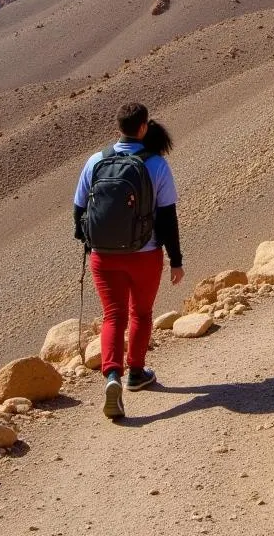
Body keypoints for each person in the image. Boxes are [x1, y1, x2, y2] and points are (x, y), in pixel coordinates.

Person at [73, 103, 184, 419]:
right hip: (145, 256)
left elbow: (79, 210)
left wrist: (90, 243)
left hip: (104, 258)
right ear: (144, 128)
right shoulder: (157, 166)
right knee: (142, 313)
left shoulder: (96, 161)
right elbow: (167, 218)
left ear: (118, 128)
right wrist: (175, 259)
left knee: (112, 316)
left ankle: (112, 376)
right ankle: (136, 372)